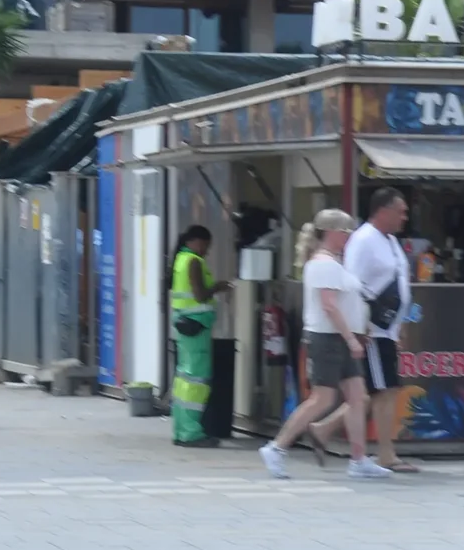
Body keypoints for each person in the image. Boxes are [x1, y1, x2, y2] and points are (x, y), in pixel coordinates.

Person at [260, 209, 390, 481]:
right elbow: (329, 306)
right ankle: (277, 447)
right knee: (323, 399)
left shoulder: (331, 263)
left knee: (357, 397)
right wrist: (351, 338)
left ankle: (358, 459)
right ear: (331, 233)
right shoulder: (324, 264)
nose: (348, 238)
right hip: (329, 339)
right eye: (345, 233)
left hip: (339, 338)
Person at [318, 188, 418, 472]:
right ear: (383, 211)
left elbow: (398, 282)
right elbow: (352, 286)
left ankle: (323, 429)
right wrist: (359, 329)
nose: (404, 217)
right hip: (372, 329)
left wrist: (401, 325)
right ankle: (385, 454)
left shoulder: (391, 242)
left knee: (381, 391)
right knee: (384, 391)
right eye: (400, 211)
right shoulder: (363, 240)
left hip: (387, 328)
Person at [168, 225, 230, 448]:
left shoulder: (180, 259)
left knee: (184, 378)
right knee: (197, 381)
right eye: (205, 245)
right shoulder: (193, 261)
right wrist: (218, 287)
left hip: (185, 326)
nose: (206, 250)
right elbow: (200, 295)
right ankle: (192, 433)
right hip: (196, 328)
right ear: (195, 241)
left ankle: (181, 430)